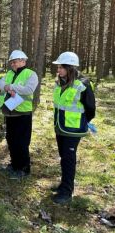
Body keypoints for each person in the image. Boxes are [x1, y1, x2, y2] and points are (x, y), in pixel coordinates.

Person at [51, 51, 95, 204]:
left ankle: (66, 193)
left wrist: (82, 121)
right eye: (58, 67)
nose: (58, 70)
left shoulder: (83, 85)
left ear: (70, 68)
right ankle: (63, 185)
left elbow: (90, 109)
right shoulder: (59, 82)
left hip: (73, 130)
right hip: (60, 127)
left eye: (61, 67)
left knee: (69, 159)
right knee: (63, 157)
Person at [0, 50, 38, 179]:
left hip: (23, 114)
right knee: (11, 140)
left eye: (15, 62)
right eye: (11, 62)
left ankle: (24, 169)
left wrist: (12, 87)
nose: (13, 65)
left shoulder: (31, 74)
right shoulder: (9, 73)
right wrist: (7, 87)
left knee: (22, 142)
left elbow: (29, 89)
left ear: (23, 61)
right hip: (9, 113)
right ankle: (14, 165)